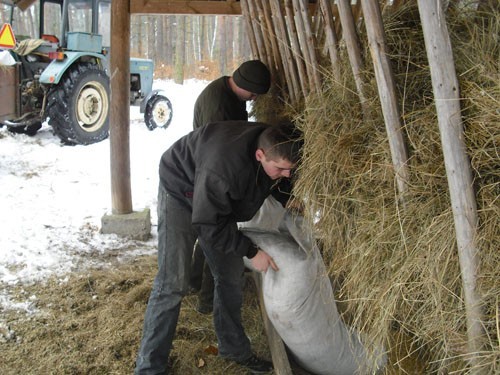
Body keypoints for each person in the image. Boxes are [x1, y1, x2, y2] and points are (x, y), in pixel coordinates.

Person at [134, 121, 301, 375]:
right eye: (280, 170)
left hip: (211, 197)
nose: (286, 175)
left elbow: (271, 179)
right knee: (173, 283)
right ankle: (149, 368)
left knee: (230, 274)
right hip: (181, 189)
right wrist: (252, 251)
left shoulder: (273, 144)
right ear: (260, 156)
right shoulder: (224, 169)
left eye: (290, 170)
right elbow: (208, 223)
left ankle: (233, 348)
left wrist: (290, 197)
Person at [190, 59, 272, 314]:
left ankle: (194, 281)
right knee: (214, 233)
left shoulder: (228, 92)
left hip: (208, 168)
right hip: (211, 173)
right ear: (248, 88)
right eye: (255, 94)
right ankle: (206, 299)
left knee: (208, 234)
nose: (255, 99)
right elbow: (222, 147)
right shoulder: (220, 108)